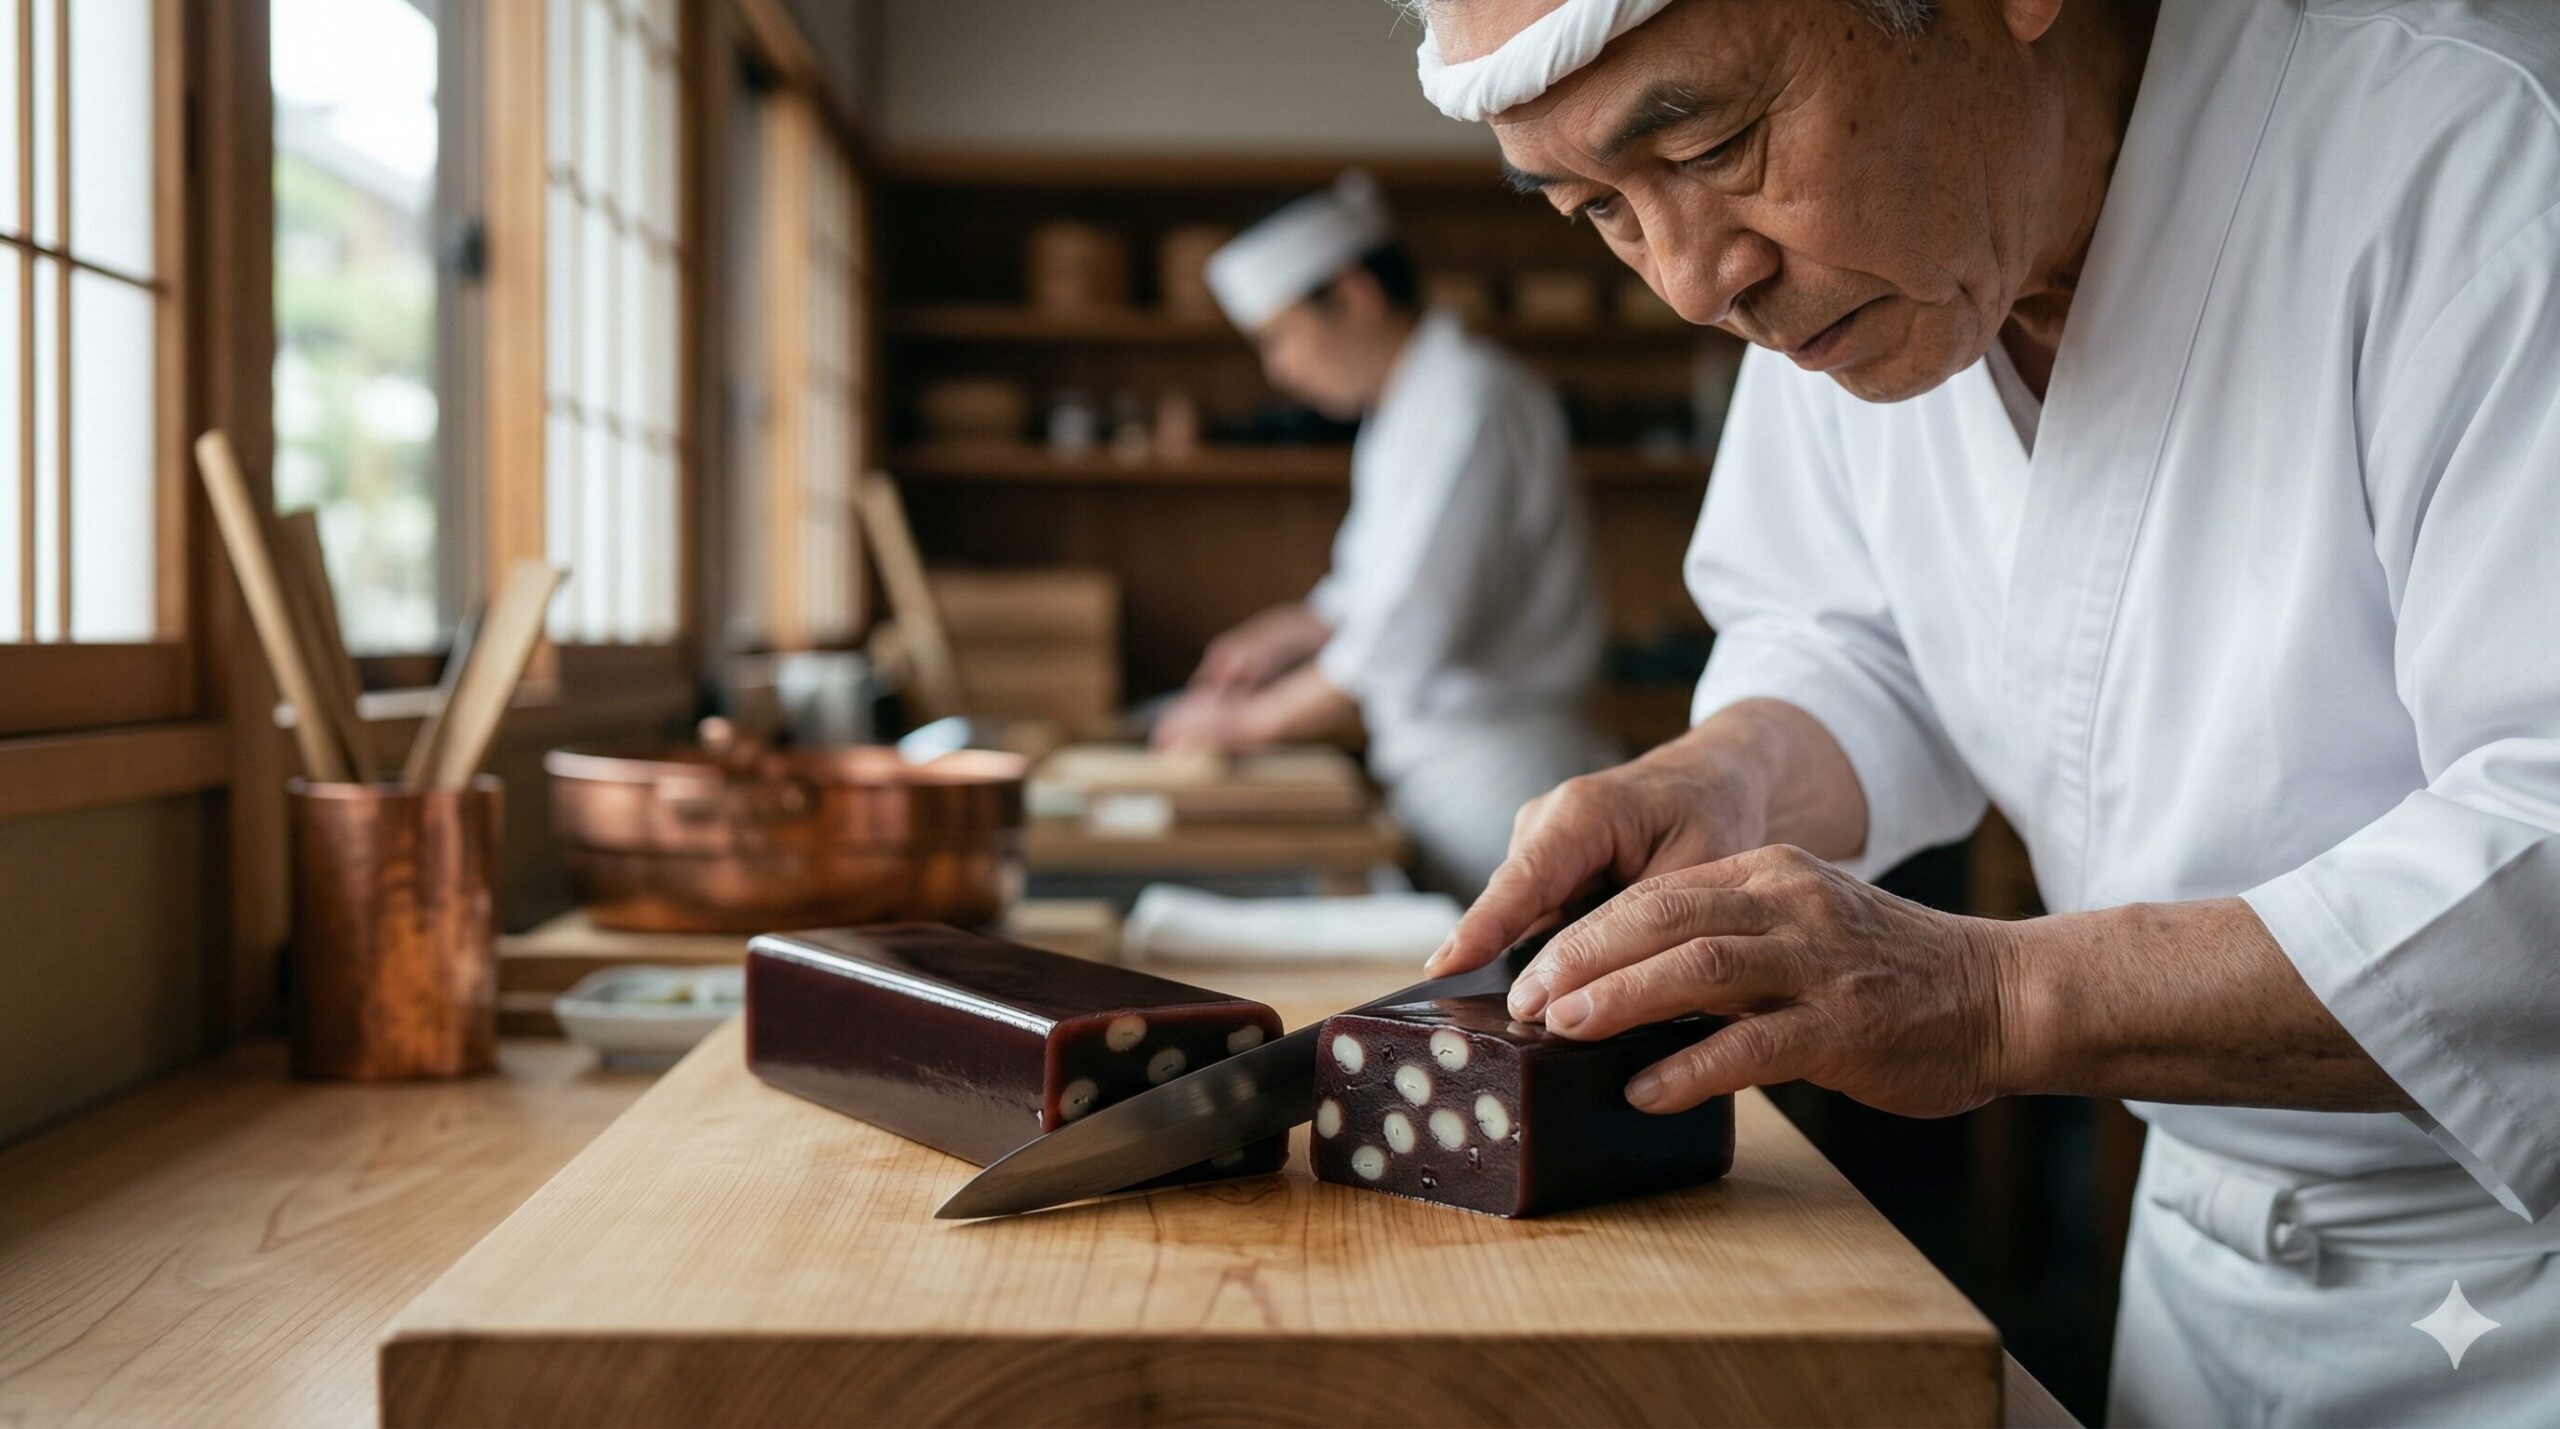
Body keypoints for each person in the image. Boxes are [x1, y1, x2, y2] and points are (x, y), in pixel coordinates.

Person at [1403, 0, 2560, 1423]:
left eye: (1713, 141)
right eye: (1598, 210)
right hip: (2208, 1267)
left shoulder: (2489, 164)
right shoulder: (1861, 270)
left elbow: (2545, 838)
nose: (1697, 283)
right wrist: (1729, 777)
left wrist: (1997, 995)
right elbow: (1851, 641)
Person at [1153, 171, 1616, 897]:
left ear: (1352, 294)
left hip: (1502, 782)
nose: (1278, 369)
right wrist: (1295, 627)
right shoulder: (1407, 404)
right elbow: (1376, 586)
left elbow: (1406, 628)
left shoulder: (1468, 399)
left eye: (1279, 338)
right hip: (1446, 777)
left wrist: (1245, 724)